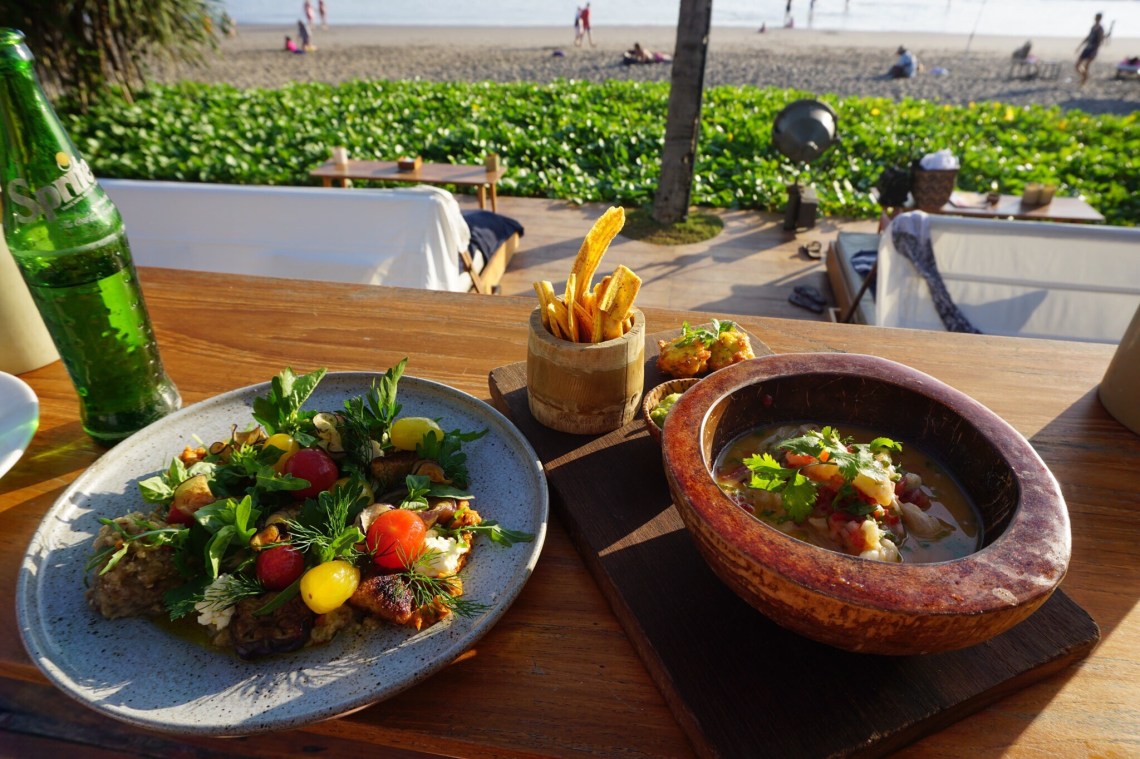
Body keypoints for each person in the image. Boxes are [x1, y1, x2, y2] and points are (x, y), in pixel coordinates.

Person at [1075, 12, 1109, 85]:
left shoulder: (1100, 29)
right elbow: (1088, 37)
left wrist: (1096, 49)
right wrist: (1079, 46)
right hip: (1087, 48)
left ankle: (1084, 80)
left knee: (1086, 65)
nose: (1096, 19)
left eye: (1097, 18)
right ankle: (1085, 77)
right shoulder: (1093, 27)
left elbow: (1100, 40)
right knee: (1077, 65)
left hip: (1093, 49)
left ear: (1100, 18)